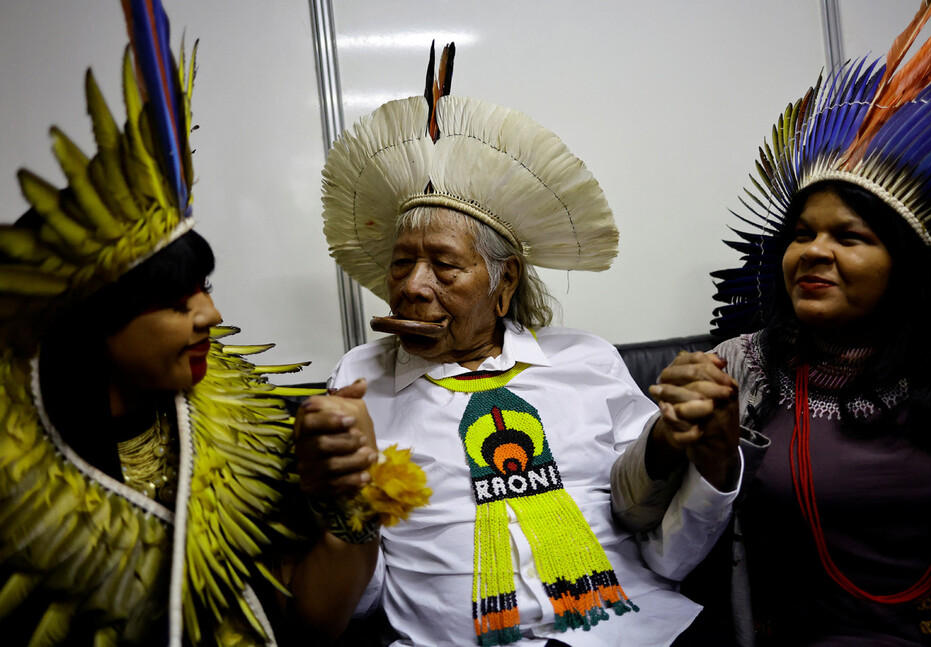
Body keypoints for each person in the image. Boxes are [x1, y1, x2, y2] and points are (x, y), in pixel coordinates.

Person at [295, 43, 739, 647]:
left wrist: (697, 453)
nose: (413, 288)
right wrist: (346, 504)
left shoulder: (585, 361)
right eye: (401, 264)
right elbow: (362, 600)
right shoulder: (357, 386)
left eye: (444, 266)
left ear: (504, 283)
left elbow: (664, 546)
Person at [0, 2, 382, 644]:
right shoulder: (17, 474)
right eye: (178, 301)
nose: (211, 314)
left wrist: (351, 496)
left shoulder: (243, 420)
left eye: (203, 289)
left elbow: (313, 623)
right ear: (93, 322)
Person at [611, 3, 931, 645]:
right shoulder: (741, 366)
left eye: (849, 237)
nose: (813, 252)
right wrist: (682, 443)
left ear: (908, 265)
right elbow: (635, 518)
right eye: (801, 235)